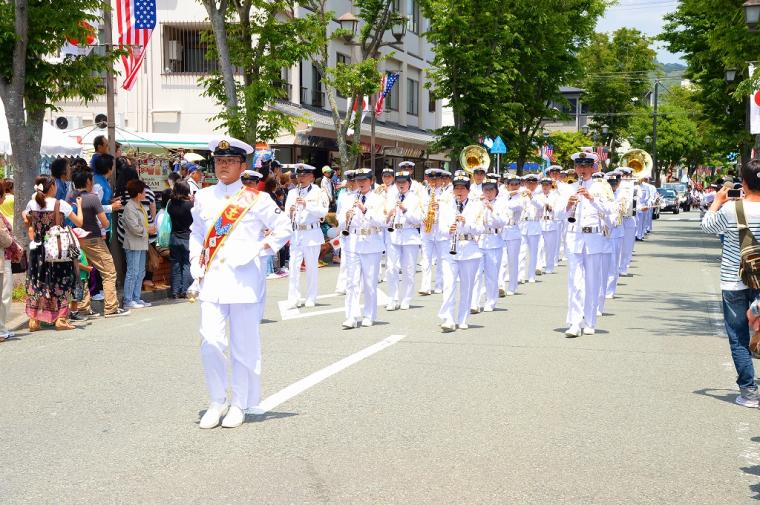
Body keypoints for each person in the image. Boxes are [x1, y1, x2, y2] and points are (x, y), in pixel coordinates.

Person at [190, 138, 291, 429]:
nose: (223, 165)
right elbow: (197, 233)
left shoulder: (256, 199)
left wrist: (259, 250)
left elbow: (283, 228)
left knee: (243, 347)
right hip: (211, 281)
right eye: (219, 160)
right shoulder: (204, 197)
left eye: (230, 161)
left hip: (244, 281)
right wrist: (196, 258)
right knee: (210, 341)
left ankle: (240, 403)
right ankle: (217, 400)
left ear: (242, 165)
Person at [702, 160, 760, 407]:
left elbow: (706, 227)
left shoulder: (730, 210)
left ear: (743, 182)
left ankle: (748, 391)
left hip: (733, 280)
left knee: (738, 337)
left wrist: (717, 200)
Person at [562, 152, 615, 337]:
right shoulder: (569, 188)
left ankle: (590, 320)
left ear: (593, 167)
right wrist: (568, 206)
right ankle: (575, 322)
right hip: (574, 238)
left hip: (594, 239)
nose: (582, 170)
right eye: (579, 166)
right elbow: (557, 216)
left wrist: (592, 198)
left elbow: (611, 211)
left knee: (592, 282)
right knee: (575, 282)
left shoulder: (602, 188)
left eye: (586, 166)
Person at [24, 175, 84, 331]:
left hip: (37, 250)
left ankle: (34, 320)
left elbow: (26, 219)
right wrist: (79, 206)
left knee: (38, 282)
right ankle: (61, 319)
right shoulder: (60, 204)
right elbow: (79, 222)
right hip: (57, 250)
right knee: (61, 282)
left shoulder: (32, 203)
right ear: (51, 187)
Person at [71, 168, 130, 318]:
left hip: (76, 239)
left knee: (83, 273)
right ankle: (111, 307)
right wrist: (103, 226)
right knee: (109, 271)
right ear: (88, 181)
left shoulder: (70, 197)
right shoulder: (92, 198)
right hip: (93, 239)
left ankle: (83, 309)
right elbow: (104, 222)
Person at [338, 168, 385, 329]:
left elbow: (382, 222)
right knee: (352, 282)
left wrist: (365, 210)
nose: (361, 183)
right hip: (353, 242)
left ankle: (369, 314)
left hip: (371, 242)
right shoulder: (347, 198)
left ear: (371, 181)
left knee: (369, 283)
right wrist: (345, 218)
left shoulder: (379, 199)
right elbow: (340, 221)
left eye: (364, 180)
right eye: (358, 180)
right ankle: (351, 316)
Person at [438, 173, 484, 332]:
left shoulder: (477, 205)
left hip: (470, 248)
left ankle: (463, 318)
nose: (459, 191)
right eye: (456, 188)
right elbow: (440, 229)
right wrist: (448, 230)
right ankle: (448, 319)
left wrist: (467, 223)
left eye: (462, 188)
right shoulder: (446, 205)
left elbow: (481, 228)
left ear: (468, 190)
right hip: (450, 248)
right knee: (449, 285)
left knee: (467, 286)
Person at [285, 164, 328, 309]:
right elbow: (286, 215)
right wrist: (290, 212)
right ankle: (293, 298)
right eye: (299, 176)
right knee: (294, 267)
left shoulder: (318, 192)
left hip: (311, 233)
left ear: (312, 177)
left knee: (311, 267)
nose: (301, 178)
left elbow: (323, 212)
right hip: (296, 233)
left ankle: (311, 297)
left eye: (304, 176)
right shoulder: (292, 193)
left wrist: (307, 205)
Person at [385, 169, 423, 311]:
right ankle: (392, 298)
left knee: (408, 269)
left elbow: (419, 219)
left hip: (409, 234)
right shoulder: (391, 196)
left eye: (403, 182)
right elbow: (385, 218)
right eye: (398, 182)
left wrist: (405, 210)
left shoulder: (415, 198)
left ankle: (406, 298)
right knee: (391, 268)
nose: (401, 185)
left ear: (409, 183)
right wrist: (389, 215)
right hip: (394, 234)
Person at [472, 174, 505, 312]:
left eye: (491, 190)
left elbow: (502, 222)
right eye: (486, 190)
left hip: (494, 241)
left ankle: (490, 301)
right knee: (476, 274)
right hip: (478, 241)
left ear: (496, 191)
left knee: (492, 274)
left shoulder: (502, 203)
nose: (488, 193)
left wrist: (492, 210)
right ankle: (474, 302)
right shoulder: (476, 203)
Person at [121, 180, 154, 309]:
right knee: (132, 272)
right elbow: (134, 228)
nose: (145, 193)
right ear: (138, 193)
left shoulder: (139, 205)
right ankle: (128, 300)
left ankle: (136, 297)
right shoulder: (130, 207)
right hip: (133, 243)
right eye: (144, 191)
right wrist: (148, 230)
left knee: (140, 272)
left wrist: (149, 228)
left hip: (141, 242)